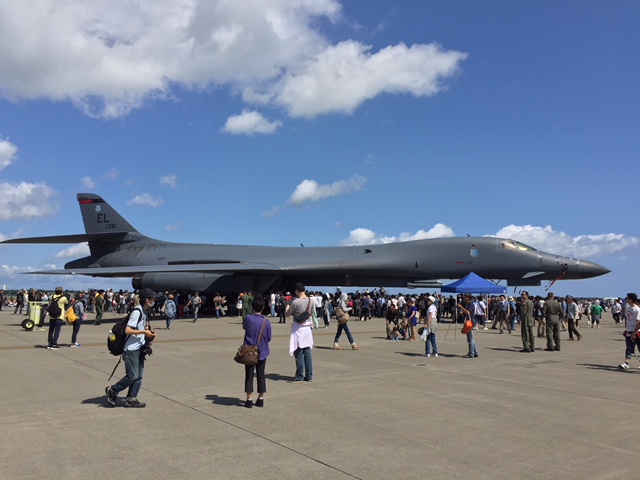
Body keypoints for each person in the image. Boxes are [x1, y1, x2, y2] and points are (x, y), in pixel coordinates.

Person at [105, 288, 157, 408]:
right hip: (131, 349)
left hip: (140, 348)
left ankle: (131, 399)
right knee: (132, 375)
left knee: (139, 375)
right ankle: (113, 390)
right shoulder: (137, 312)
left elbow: (141, 328)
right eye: (152, 298)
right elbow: (128, 330)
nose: (154, 300)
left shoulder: (145, 312)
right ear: (146, 300)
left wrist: (149, 333)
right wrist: (144, 331)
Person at [242, 296, 272, 408]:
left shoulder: (248, 319)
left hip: (249, 351)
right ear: (263, 308)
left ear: (252, 307)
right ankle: (260, 398)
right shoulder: (266, 322)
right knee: (260, 374)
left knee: (249, 375)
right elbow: (269, 337)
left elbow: (245, 328)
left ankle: (249, 399)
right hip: (262, 351)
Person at [285, 282, 314, 382]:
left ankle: (299, 376)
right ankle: (309, 375)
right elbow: (312, 313)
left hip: (298, 328)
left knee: (299, 352)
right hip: (307, 328)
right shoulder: (311, 300)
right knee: (307, 352)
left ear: (297, 291)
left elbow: (288, 314)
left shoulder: (295, 302)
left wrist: (287, 307)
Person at [619, 293, 640, 371]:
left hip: (637, 331)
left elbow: (638, 322)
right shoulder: (628, 308)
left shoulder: (637, 309)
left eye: (627, 298)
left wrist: (634, 333)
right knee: (629, 347)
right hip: (629, 330)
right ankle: (626, 363)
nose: (626, 299)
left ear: (631, 300)